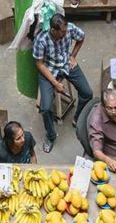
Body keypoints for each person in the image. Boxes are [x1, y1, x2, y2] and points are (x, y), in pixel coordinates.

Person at [33, 15, 93, 153]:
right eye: (62, 32)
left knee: (87, 93)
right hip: (49, 70)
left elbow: (81, 37)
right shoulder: (41, 39)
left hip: (66, 64)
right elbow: (39, 64)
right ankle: (50, 135)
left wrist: (73, 56)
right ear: (53, 30)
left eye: (66, 31)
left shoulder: (69, 28)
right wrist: (55, 83)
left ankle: (77, 118)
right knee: (46, 107)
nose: (66, 34)